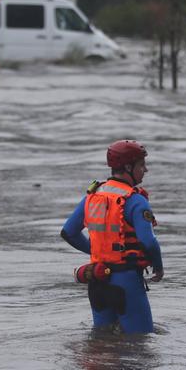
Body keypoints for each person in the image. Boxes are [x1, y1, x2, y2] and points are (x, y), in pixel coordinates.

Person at [60, 139, 163, 333]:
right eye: (142, 165)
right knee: (141, 347)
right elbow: (148, 241)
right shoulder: (136, 200)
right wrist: (158, 268)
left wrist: (97, 249)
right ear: (128, 167)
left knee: (101, 343)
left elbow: (69, 232)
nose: (146, 170)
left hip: (97, 281)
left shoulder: (92, 196)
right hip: (127, 283)